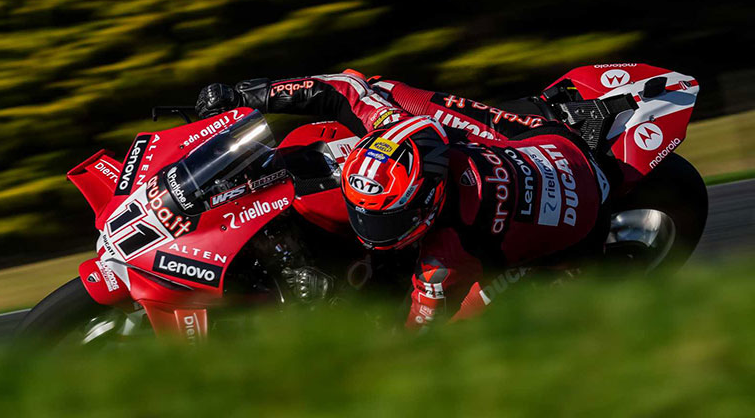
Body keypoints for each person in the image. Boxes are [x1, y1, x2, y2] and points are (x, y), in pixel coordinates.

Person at [195, 70, 610, 329]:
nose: (371, 232)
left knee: (460, 326)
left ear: (430, 200)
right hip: (536, 145)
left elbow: (416, 337)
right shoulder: (396, 128)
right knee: (384, 90)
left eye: (389, 221)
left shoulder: (443, 262)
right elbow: (343, 89)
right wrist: (249, 95)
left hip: (576, 216)